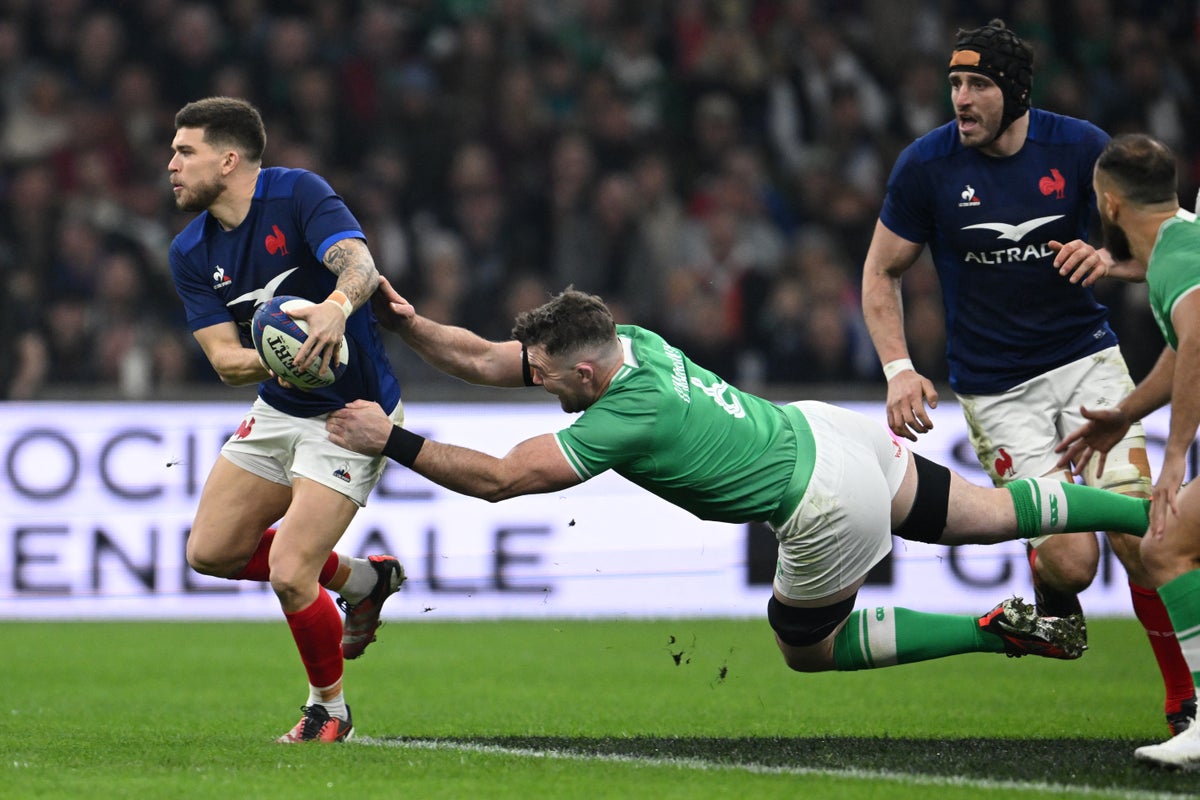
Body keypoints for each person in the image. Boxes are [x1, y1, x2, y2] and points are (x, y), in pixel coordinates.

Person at [326, 279, 1154, 680]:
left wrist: (391, 438)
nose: (534, 381)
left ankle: (993, 629)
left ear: (583, 368)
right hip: (832, 431)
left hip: (823, 502)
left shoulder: (625, 413)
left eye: (544, 375)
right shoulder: (630, 340)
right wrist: (407, 326)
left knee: (807, 646)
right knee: (992, 515)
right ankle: (1148, 514)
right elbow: (479, 357)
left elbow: (504, 480)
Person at [859, 18, 1193, 734]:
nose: (961, 98)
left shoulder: (1079, 148)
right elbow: (881, 270)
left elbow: (1168, 241)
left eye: (977, 83)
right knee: (1072, 564)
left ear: (1015, 92)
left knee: (1142, 540)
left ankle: (1181, 701)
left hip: (1087, 366)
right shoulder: (927, 166)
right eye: (954, 82)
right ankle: (1056, 611)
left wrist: (1114, 263)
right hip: (995, 391)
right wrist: (897, 369)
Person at [168, 97, 406, 743]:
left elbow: (360, 265)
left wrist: (333, 309)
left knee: (290, 572)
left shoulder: (298, 193)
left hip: (355, 413)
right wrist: (281, 360)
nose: (172, 166)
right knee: (211, 552)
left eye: (185, 152)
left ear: (229, 157)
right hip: (280, 406)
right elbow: (223, 358)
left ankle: (329, 710)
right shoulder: (190, 250)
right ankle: (364, 580)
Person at [1056, 133, 1200, 768]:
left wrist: (1175, 458)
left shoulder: (1176, 261)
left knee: (1165, 545)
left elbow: (1197, 341)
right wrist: (1126, 414)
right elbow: (1183, 341)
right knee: (1170, 545)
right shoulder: (1179, 246)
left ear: (1109, 205)